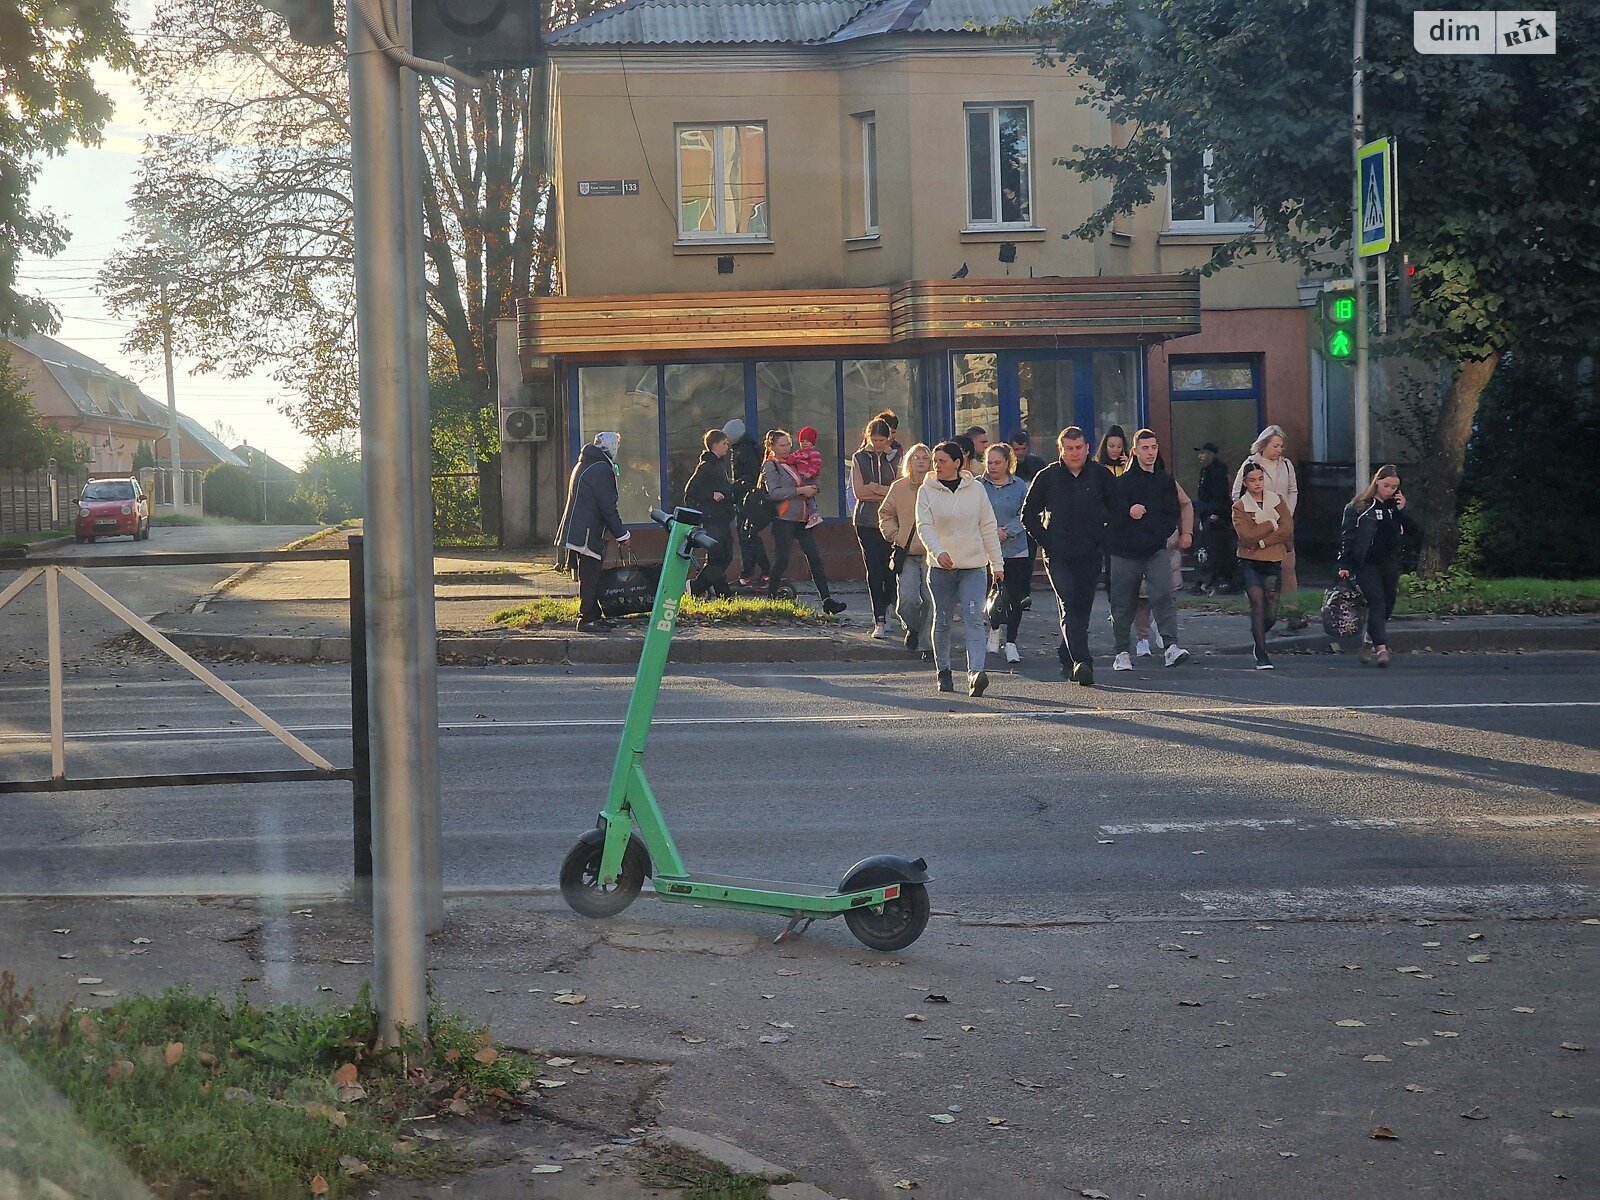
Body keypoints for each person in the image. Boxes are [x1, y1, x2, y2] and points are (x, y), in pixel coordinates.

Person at [1022, 426, 1115, 686]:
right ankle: (1083, 662)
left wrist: (1103, 535)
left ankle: (1067, 654)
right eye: (1069, 449)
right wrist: (1047, 542)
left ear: (1087, 448)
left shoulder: (1100, 475)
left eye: (1079, 448)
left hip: (1090, 552)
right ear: (1061, 450)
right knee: (1069, 603)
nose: (1075, 453)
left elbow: (1116, 508)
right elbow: (1028, 515)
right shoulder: (1048, 476)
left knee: (1082, 608)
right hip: (1058, 554)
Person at [917, 440, 1003, 696]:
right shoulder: (927, 491)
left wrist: (996, 564)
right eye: (935, 461)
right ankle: (943, 670)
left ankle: (976, 673)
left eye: (942, 461)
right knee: (942, 620)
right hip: (941, 568)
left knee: (973, 618)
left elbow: (988, 526)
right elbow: (924, 526)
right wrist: (938, 552)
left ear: (957, 463)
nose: (936, 466)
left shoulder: (976, 489)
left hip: (973, 567)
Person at [1107, 429, 1190, 670]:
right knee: (1123, 603)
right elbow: (1111, 515)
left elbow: (1171, 513)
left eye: (1154, 447)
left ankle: (1171, 647)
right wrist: (1128, 512)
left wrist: (1159, 534)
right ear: (1134, 451)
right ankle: (1122, 652)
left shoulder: (1164, 481)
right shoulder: (1122, 483)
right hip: (1124, 551)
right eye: (1145, 448)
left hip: (1155, 549)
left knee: (1163, 596)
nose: (1150, 452)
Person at [1337, 464, 1421, 668]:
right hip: (1366, 562)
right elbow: (1348, 536)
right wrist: (1344, 563)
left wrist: (1403, 511)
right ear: (1377, 483)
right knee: (1377, 601)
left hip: (1389, 561)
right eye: (1386, 485)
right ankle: (1381, 648)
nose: (1390, 490)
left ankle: (1369, 639)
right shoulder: (1360, 507)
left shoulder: (1394, 508)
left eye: (1394, 487)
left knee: (1388, 603)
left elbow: (1415, 531)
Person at [761, 429, 847, 614]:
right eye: (782, 445)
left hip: (803, 518)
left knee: (815, 558)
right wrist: (800, 491)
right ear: (772, 447)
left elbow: (811, 476)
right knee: (782, 560)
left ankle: (827, 600)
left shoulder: (795, 460)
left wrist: (814, 487)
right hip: (783, 519)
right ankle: (770, 598)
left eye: (788, 444)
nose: (786, 449)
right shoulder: (771, 465)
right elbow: (773, 493)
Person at [555, 431, 631, 634]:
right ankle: (587, 618)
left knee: (590, 575)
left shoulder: (586, 463)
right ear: (612, 447)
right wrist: (622, 535)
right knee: (590, 576)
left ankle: (594, 615)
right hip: (588, 531)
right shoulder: (601, 469)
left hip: (579, 528)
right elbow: (607, 506)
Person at [1232, 461, 1295, 670]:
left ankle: (1259, 633)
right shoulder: (1240, 506)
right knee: (1257, 602)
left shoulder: (1276, 500)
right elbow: (1246, 536)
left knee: (1271, 609)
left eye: (1260, 479)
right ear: (1245, 482)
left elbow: (1287, 528)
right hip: (1249, 561)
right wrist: (1270, 524)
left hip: (1273, 559)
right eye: (1252, 480)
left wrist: (1263, 540)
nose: (1257, 484)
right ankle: (1261, 652)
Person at [1133, 462, 1194, 657]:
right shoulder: (1129, 482)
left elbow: (1185, 503)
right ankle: (1142, 638)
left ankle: (1164, 631)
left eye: (1153, 448)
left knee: (1167, 592)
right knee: (1142, 596)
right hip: (1140, 542)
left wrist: (1187, 532)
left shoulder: (1167, 482)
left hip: (1166, 542)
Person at [1232, 424, 1300, 596]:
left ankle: (1292, 611)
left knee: (1288, 567)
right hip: (1259, 526)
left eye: (1281, 446)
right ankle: (1261, 606)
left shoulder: (1286, 465)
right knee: (1261, 568)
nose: (1279, 450)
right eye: (1275, 446)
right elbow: (1236, 493)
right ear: (1263, 445)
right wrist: (1250, 517)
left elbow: (1293, 490)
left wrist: (1287, 514)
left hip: (1282, 524)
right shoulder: (1251, 464)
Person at [879, 443, 933, 655]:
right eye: (916, 457)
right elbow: (885, 514)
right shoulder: (899, 487)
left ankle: (926, 645)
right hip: (907, 553)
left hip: (932, 554)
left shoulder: (936, 486)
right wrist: (895, 535)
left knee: (930, 601)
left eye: (925, 458)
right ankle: (913, 627)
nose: (920, 461)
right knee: (907, 601)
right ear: (909, 461)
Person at [851, 417, 902, 638]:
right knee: (873, 569)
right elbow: (859, 492)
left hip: (891, 519)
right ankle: (878, 617)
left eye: (882, 439)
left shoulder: (897, 457)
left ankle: (890, 605)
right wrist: (884, 490)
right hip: (866, 520)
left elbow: (899, 488)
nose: (878, 443)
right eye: (874, 439)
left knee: (890, 568)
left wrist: (875, 488)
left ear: (889, 437)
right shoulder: (859, 458)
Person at [980, 443, 1030, 664]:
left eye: (997, 462)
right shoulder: (977, 485)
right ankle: (993, 628)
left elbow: (1025, 513)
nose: (992, 467)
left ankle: (1011, 642)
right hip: (986, 550)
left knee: (1014, 597)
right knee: (992, 595)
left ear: (1008, 463)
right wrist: (991, 533)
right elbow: (974, 512)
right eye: (989, 462)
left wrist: (1007, 531)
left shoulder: (1019, 486)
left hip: (1015, 549)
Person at [684, 428, 737, 599]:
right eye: (724, 444)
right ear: (714, 445)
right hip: (713, 519)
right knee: (719, 557)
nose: (727, 447)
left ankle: (700, 588)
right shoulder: (707, 465)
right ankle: (719, 594)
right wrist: (711, 495)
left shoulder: (719, 464)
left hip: (722, 517)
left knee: (722, 557)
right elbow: (690, 491)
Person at [724, 418, 771, 585]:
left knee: (747, 536)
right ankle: (757, 572)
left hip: (747, 500)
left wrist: (731, 488)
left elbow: (748, 477)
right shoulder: (747, 447)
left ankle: (754, 573)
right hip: (747, 499)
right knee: (748, 536)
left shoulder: (743, 451)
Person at [1193, 443, 1234, 593]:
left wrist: (1215, 513)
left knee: (1217, 549)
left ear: (1211, 454)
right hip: (1206, 514)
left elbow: (1220, 495)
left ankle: (1219, 580)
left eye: (1203, 453)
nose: (1200, 457)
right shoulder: (1205, 471)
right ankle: (1207, 579)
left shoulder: (1217, 472)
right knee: (1207, 549)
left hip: (1216, 516)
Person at [791, 425, 825, 529]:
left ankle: (814, 514)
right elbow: (792, 459)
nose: (804, 443)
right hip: (803, 479)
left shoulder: (814, 454)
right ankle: (808, 515)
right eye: (802, 441)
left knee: (809, 497)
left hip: (811, 479)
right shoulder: (799, 453)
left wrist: (809, 474)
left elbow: (816, 466)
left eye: (807, 441)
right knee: (804, 497)